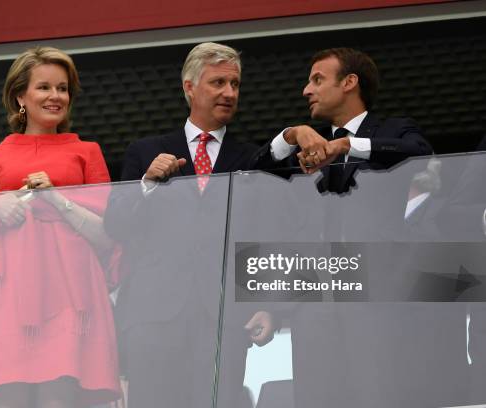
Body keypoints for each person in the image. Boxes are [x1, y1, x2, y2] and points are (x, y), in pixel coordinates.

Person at [104, 42, 274, 408]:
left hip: (223, 320)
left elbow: (262, 239)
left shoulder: (252, 159)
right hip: (154, 317)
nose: (229, 93)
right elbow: (114, 224)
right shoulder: (144, 152)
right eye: (218, 83)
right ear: (190, 87)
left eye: (235, 84)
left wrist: (267, 304)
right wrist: (147, 185)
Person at [0, 47, 120, 408]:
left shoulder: (87, 151)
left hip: (69, 290)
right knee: (7, 395)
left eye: (63, 89)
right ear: (20, 96)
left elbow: (109, 229)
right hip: (7, 293)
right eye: (44, 87)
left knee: (60, 394)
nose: (55, 97)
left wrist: (58, 200)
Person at [251, 47, 433, 193]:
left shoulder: (394, 130)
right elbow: (252, 171)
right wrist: (292, 134)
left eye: (317, 79)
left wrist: (346, 145)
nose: (306, 91)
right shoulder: (306, 144)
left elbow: (421, 152)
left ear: (349, 82)